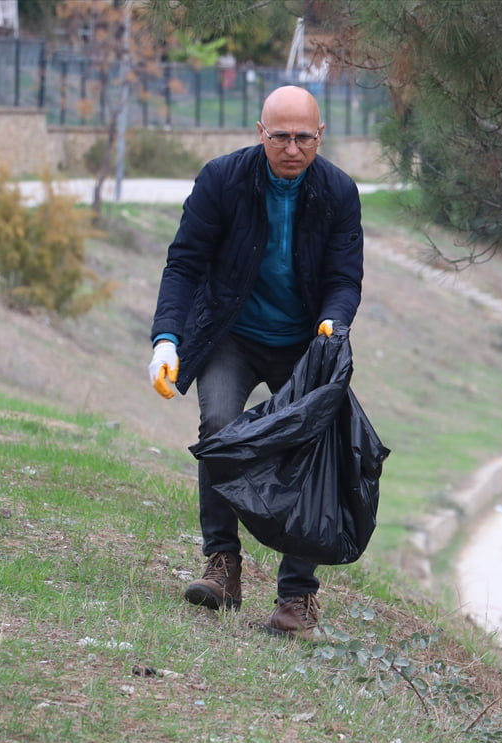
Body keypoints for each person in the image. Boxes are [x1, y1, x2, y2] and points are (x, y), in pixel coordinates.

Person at [147, 85, 364, 640]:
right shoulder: (222, 179)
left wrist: (333, 324)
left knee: (308, 446)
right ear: (260, 133)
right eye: (280, 137)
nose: (292, 148)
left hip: (305, 342)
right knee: (220, 427)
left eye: (303, 137)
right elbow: (185, 265)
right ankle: (222, 567)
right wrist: (167, 339)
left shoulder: (338, 191)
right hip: (230, 335)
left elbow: (344, 278)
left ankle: (296, 599)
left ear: (320, 136)